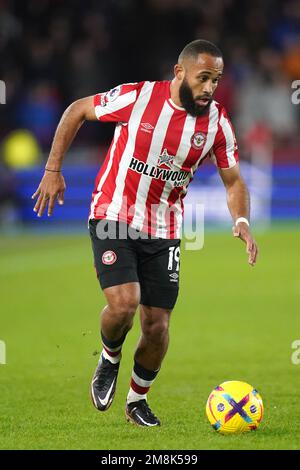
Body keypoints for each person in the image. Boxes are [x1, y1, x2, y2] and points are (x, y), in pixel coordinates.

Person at [32, 39, 258, 427]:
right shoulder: (138, 98)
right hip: (113, 214)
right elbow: (77, 110)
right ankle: (109, 357)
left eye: (216, 80)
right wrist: (53, 170)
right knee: (124, 304)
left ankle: (137, 400)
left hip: (164, 228)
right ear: (180, 72)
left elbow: (233, 181)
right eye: (203, 78)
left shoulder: (217, 122)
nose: (209, 88)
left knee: (157, 325)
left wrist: (241, 221)